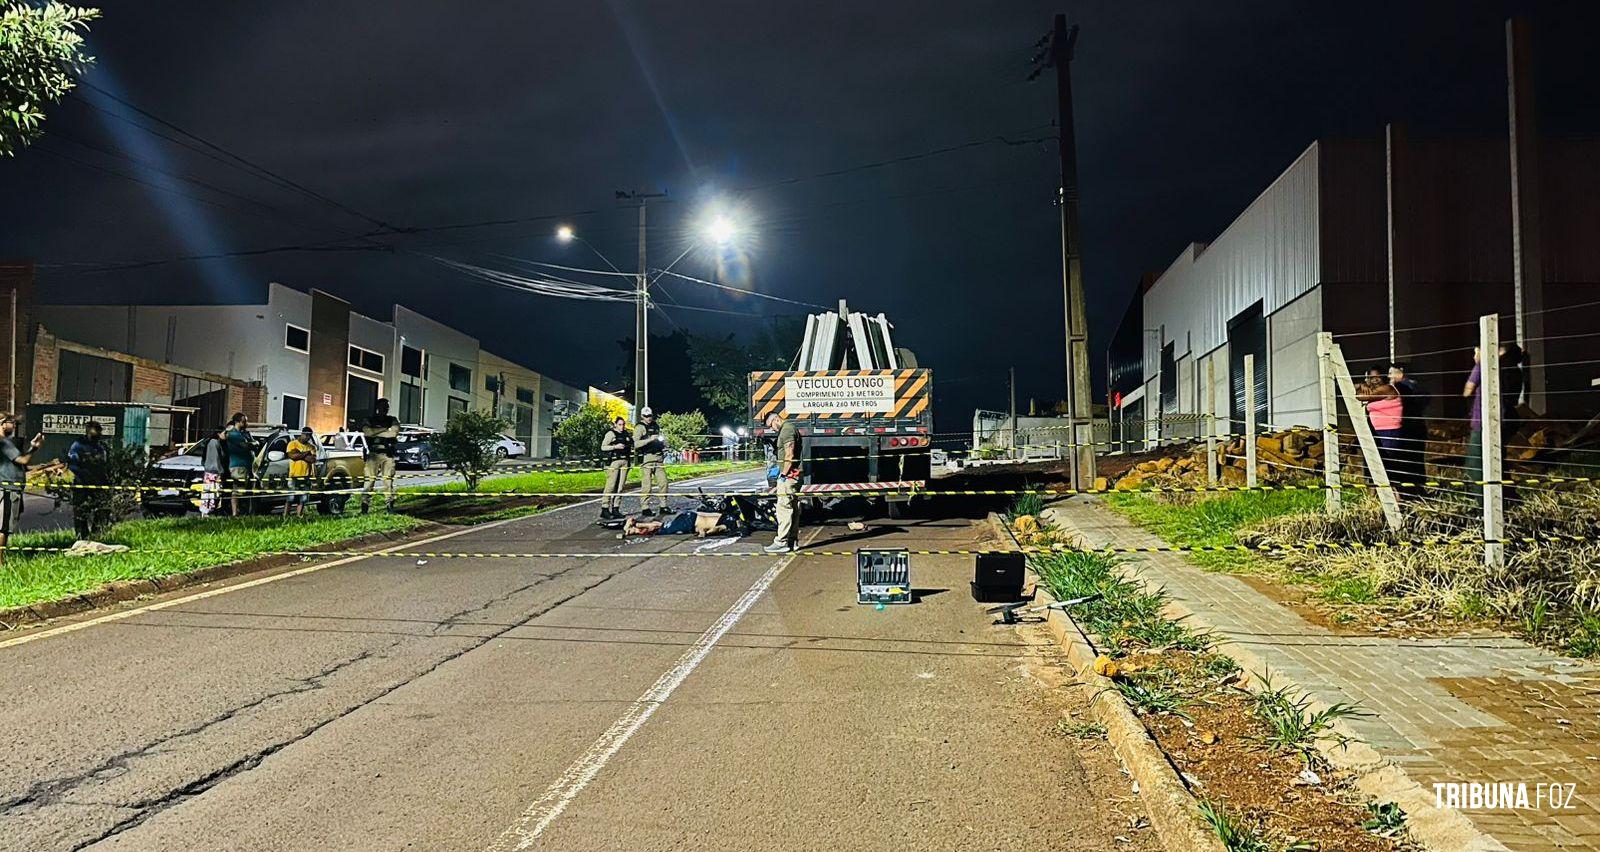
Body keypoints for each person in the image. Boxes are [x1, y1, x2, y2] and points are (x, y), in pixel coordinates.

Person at [1462, 343, 1525, 484]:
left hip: (1485, 420)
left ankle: (1484, 501)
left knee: (1477, 464)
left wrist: (1478, 366)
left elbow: (1467, 392)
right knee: (1497, 460)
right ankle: (1507, 495)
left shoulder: (1487, 368)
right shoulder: (1515, 371)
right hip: (1508, 417)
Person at [0, 413, 45, 567]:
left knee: (5, 527)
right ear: (2, 424)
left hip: (10, 488)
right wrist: (34, 448)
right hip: (6, 490)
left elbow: (20, 465)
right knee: (3, 527)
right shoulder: (4, 443)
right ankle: (0, 563)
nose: (14, 425)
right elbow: (23, 460)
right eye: (11, 422)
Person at [1356, 366, 1404, 494]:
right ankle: (1375, 498)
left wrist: (1362, 388)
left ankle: (1397, 499)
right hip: (1377, 433)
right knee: (1375, 466)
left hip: (1389, 432)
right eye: (1371, 378)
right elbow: (1355, 387)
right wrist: (1361, 384)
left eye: (1377, 377)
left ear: (1384, 376)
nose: (1374, 380)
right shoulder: (1375, 390)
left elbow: (1361, 397)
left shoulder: (1387, 389)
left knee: (1388, 466)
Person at [763, 410, 802, 554]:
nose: (772, 429)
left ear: (776, 420)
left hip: (789, 476)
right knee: (793, 507)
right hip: (794, 475)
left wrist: (783, 474)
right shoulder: (789, 429)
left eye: (771, 426)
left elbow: (789, 454)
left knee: (784, 508)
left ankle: (781, 542)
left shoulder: (786, 430)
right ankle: (792, 541)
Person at [1387, 363, 1428, 490]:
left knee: (1405, 459)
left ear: (1400, 373)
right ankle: (1419, 486)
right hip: (1419, 426)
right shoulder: (1416, 385)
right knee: (1417, 458)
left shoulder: (1400, 387)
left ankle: (1407, 489)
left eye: (1391, 373)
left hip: (1406, 427)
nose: (1389, 376)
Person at [66, 420, 107, 538]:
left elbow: (103, 464)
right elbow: (72, 463)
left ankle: (97, 533)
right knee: (80, 510)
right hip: (81, 482)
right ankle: (81, 534)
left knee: (103, 507)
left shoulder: (100, 447)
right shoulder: (78, 445)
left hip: (98, 482)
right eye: (96, 432)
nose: (98, 435)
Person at [360, 398, 400, 514]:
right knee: (369, 482)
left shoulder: (392, 420)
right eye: (383, 406)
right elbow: (367, 432)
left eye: (386, 407)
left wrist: (375, 431)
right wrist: (385, 430)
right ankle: (364, 507)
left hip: (388, 454)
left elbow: (393, 433)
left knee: (388, 482)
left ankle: (390, 506)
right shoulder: (370, 419)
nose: (385, 409)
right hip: (373, 454)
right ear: (378, 407)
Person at [633, 406, 668, 517]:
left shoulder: (655, 426)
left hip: (658, 458)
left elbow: (661, 439)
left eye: (650, 416)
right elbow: (636, 444)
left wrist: (665, 445)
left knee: (663, 483)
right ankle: (645, 507)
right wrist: (650, 439)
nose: (648, 418)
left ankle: (663, 505)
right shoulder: (639, 428)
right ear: (642, 416)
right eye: (646, 416)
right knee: (647, 485)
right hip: (647, 458)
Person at [599, 415, 631, 520]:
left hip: (625, 461)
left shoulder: (626, 434)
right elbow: (603, 447)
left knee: (620, 487)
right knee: (611, 486)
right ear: (615, 425)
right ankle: (605, 508)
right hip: (614, 462)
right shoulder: (611, 434)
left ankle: (616, 508)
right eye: (620, 424)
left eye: (623, 424)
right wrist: (615, 446)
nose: (622, 427)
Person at [224, 413, 254, 516]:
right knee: (238, 490)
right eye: (244, 421)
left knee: (244, 490)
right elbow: (245, 445)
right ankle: (235, 513)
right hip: (238, 466)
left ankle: (242, 511)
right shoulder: (234, 434)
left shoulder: (243, 434)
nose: (246, 423)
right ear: (238, 422)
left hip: (246, 466)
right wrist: (252, 444)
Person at [284, 426, 317, 517]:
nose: (307, 437)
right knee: (290, 497)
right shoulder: (292, 444)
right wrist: (306, 453)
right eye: (306, 435)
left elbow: (312, 460)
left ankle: (299, 515)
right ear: (302, 434)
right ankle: (285, 515)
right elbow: (292, 456)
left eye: (309, 436)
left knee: (303, 498)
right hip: (294, 475)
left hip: (306, 475)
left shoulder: (312, 447)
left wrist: (299, 454)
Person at [199, 425, 227, 517]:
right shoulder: (214, 443)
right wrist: (219, 471)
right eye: (224, 433)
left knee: (212, 492)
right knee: (211, 492)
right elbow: (216, 459)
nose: (226, 435)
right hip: (213, 472)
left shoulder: (213, 442)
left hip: (210, 471)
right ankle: (207, 511)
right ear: (219, 434)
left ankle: (208, 511)